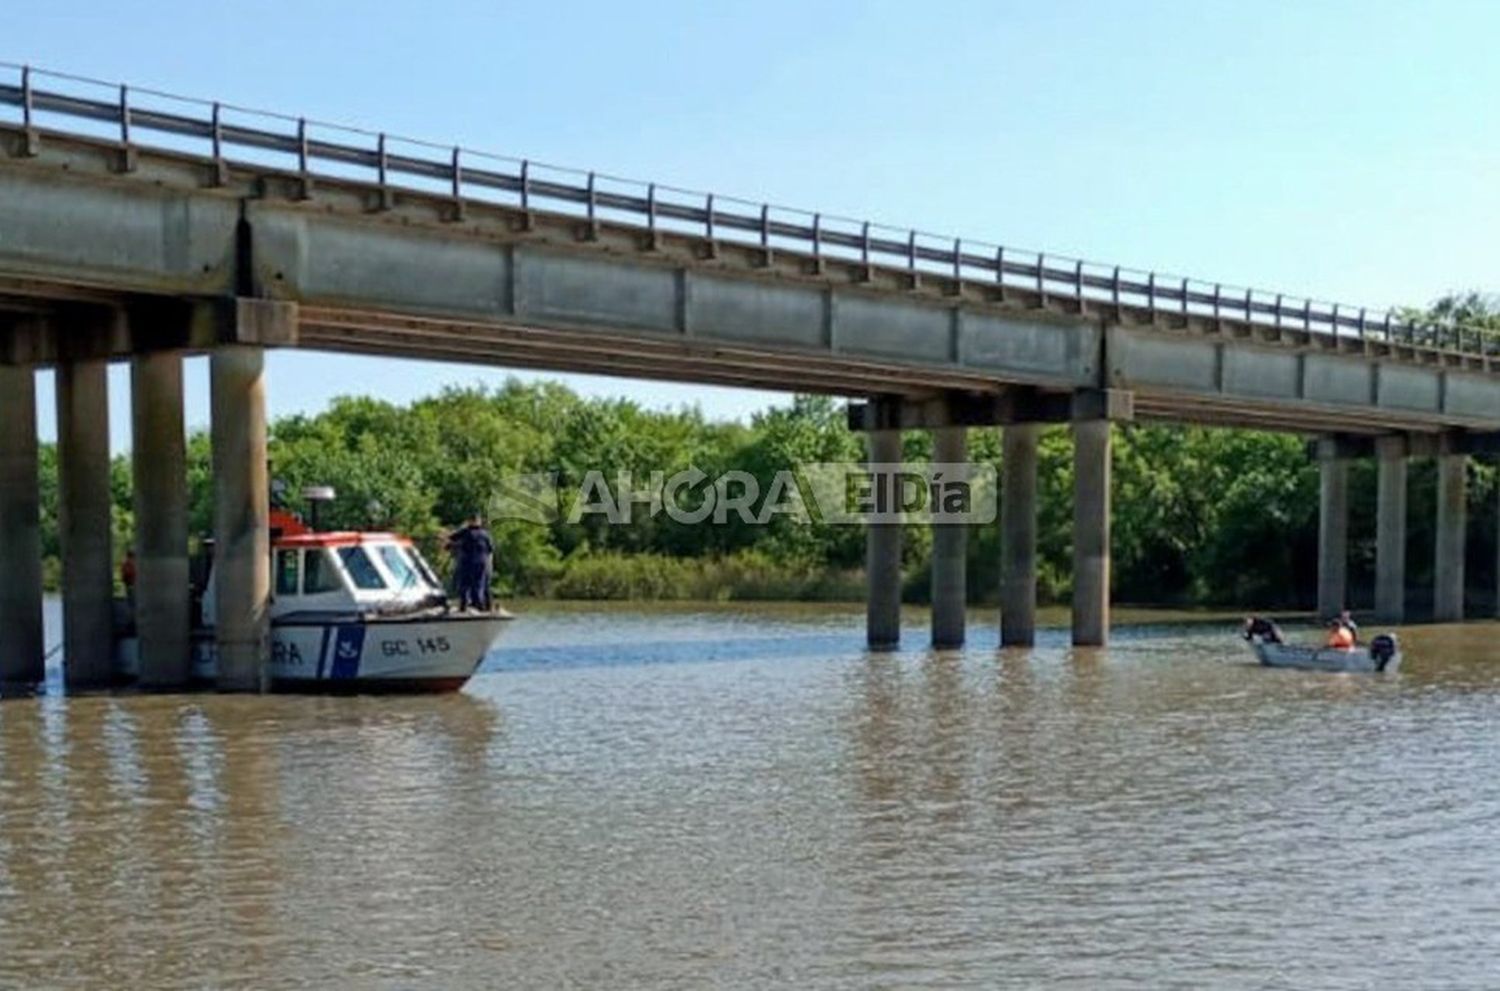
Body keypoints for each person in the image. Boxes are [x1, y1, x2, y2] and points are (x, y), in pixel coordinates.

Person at [447, 514, 495, 612]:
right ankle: (481, 607)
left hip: (467, 562)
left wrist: (462, 527)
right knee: (480, 585)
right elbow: (490, 549)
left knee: (464, 585)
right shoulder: (485, 534)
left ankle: (464, 607)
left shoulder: (465, 532)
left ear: (469, 521)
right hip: (482, 562)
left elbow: (451, 537)